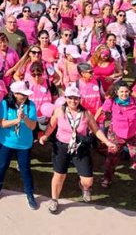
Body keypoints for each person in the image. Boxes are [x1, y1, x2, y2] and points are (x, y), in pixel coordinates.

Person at [38, 85, 117, 214]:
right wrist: (45, 136)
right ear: (66, 98)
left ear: (80, 99)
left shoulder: (86, 113)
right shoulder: (59, 111)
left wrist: (107, 142)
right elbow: (52, 125)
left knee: (88, 181)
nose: (73, 101)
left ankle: (84, 187)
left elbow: (96, 130)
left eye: (76, 98)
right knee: (59, 175)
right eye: (70, 98)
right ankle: (54, 200)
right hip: (62, 146)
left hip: (80, 147)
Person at [0, 81, 38, 210]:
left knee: (25, 169)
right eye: (22, 94)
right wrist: (17, 120)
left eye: (26, 94)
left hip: (24, 144)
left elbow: (32, 126)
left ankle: (29, 193)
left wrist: (24, 118)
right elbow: (2, 124)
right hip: (6, 142)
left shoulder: (31, 105)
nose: (25, 96)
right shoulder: (5, 104)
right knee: (2, 165)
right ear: (15, 94)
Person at [99, 81, 136, 188]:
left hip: (132, 134)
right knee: (112, 158)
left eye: (126, 91)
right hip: (116, 135)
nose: (124, 94)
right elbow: (104, 110)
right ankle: (107, 178)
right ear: (116, 92)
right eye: (121, 92)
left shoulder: (134, 101)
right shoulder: (112, 101)